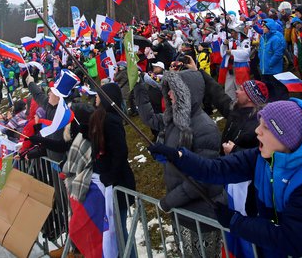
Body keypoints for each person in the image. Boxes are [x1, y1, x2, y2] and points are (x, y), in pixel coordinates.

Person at [148, 99, 302, 258]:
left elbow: (292, 239)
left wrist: (236, 222)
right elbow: (217, 169)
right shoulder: (260, 157)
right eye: (259, 124)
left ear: (287, 139)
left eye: (266, 128)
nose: (257, 131)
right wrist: (178, 157)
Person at [134, 70, 225, 257]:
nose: (168, 94)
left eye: (173, 90)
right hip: (182, 211)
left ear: (187, 93)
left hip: (202, 215)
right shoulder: (174, 120)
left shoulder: (205, 128)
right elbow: (150, 119)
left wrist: (168, 202)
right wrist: (138, 89)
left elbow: (201, 179)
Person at [88, 83, 136, 256]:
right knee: (114, 229)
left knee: (120, 229)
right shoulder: (100, 118)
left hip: (118, 183)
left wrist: (110, 176)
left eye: (99, 94)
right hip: (108, 183)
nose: (96, 97)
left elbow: (120, 152)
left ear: (106, 98)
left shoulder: (111, 120)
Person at [258, 19, 289, 101]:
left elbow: (278, 54)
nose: (263, 28)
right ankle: (271, 102)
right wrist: (261, 61)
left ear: (270, 27)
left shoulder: (275, 39)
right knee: (268, 88)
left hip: (273, 69)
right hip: (264, 69)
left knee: (277, 87)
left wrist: (270, 63)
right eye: (263, 26)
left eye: (265, 27)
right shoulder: (262, 38)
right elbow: (260, 50)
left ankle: (282, 102)